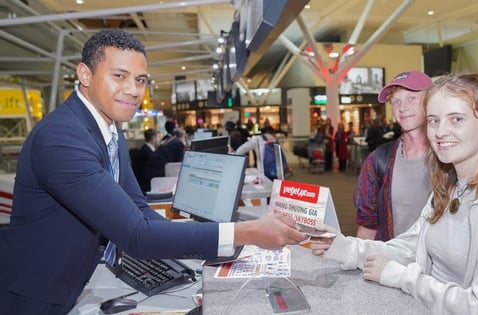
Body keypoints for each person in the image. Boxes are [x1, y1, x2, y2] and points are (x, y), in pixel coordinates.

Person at [0, 29, 305, 314]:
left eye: (141, 80)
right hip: (38, 296)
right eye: (119, 76)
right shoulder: (61, 138)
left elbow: (138, 209)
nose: (133, 90)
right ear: (85, 74)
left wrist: (196, 245)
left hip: (83, 278)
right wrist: (248, 233)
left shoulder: (109, 129)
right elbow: (137, 234)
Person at [311, 72, 478, 314]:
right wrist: (344, 248)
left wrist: (404, 278)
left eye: (456, 119)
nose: (440, 131)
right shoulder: (449, 188)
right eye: (434, 120)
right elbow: (412, 247)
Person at [354, 70, 433, 241]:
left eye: (411, 98)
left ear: (431, 101)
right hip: (390, 262)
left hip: (438, 265)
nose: (402, 108)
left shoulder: (451, 158)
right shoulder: (378, 161)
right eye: (396, 101)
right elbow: (367, 225)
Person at [132, 128, 160, 193]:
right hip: (145, 186)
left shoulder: (147, 150)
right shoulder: (147, 152)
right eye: (158, 137)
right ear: (153, 138)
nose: (159, 139)